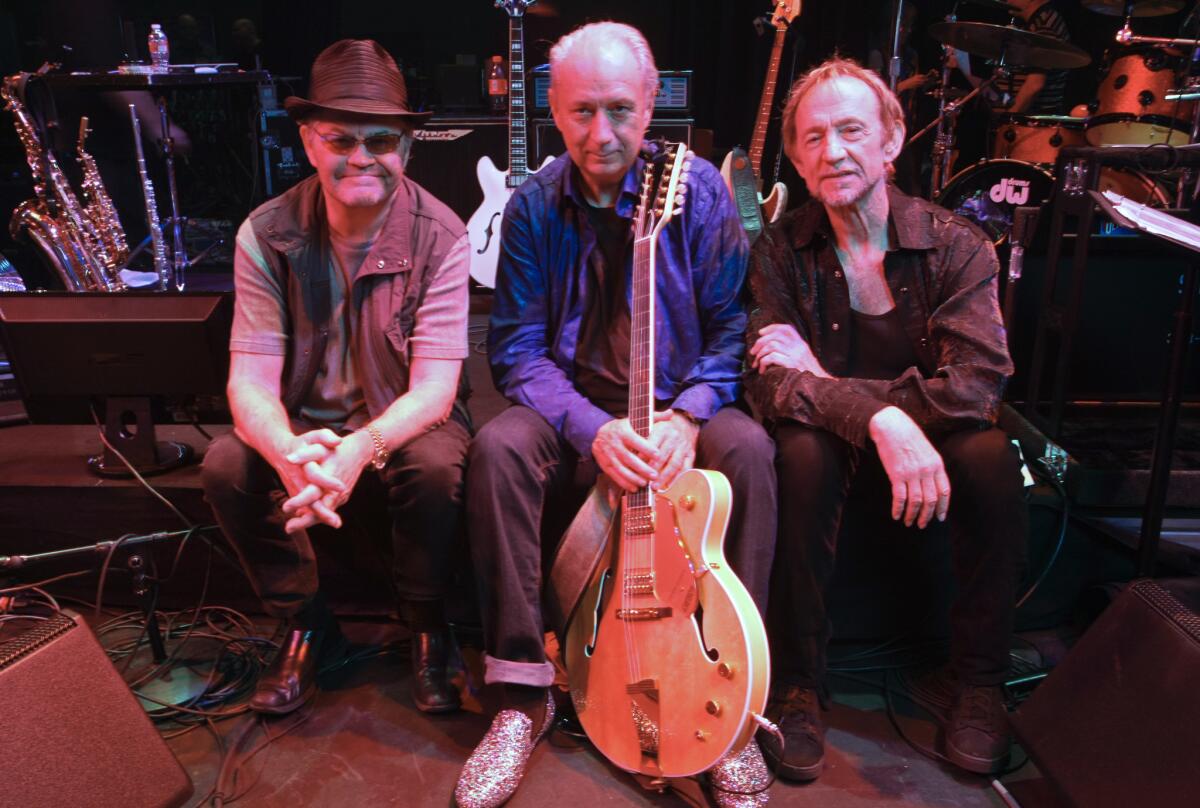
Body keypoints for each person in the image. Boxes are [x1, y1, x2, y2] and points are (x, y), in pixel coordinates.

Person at [455, 21, 778, 808]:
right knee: (496, 447)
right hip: (577, 416)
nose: (603, 134)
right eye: (582, 113)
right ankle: (523, 694)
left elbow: (732, 325)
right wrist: (590, 430)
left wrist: (691, 417)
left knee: (753, 454)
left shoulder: (696, 190)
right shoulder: (533, 207)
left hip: (677, 412)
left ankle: (735, 700)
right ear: (554, 111)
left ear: (651, 102)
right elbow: (518, 352)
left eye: (622, 111)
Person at [745, 57, 1027, 780]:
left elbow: (975, 386)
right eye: (812, 138)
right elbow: (769, 385)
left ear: (892, 141)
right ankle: (800, 682)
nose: (831, 151)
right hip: (843, 446)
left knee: (992, 454)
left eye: (849, 131)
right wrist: (877, 420)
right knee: (799, 450)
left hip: (933, 443)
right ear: (797, 160)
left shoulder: (957, 243)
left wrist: (847, 394)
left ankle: (979, 682)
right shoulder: (780, 249)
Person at [201, 39, 471, 718]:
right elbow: (249, 386)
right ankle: (304, 623)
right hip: (306, 428)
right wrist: (290, 451)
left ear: (407, 146)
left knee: (436, 466)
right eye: (339, 138)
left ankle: (427, 625)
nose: (361, 156)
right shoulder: (265, 233)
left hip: (398, 423)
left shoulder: (441, 235)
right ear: (308, 141)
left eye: (381, 139)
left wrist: (359, 450)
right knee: (227, 465)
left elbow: (435, 392)